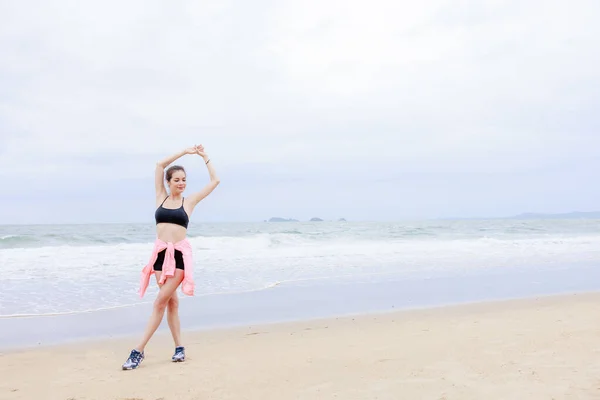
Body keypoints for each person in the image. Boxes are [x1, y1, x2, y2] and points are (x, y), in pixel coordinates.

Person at [122, 144, 220, 370]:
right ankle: (179, 348)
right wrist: (185, 152)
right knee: (172, 302)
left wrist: (205, 157)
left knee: (159, 303)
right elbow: (159, 165)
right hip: (159, 256)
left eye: (184, 179)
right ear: (168, 182)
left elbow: (215, 181)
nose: (181, 183)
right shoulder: (161, 197)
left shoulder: (190, 202)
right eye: (176, 180)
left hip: (178, 257)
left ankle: (138, 351)